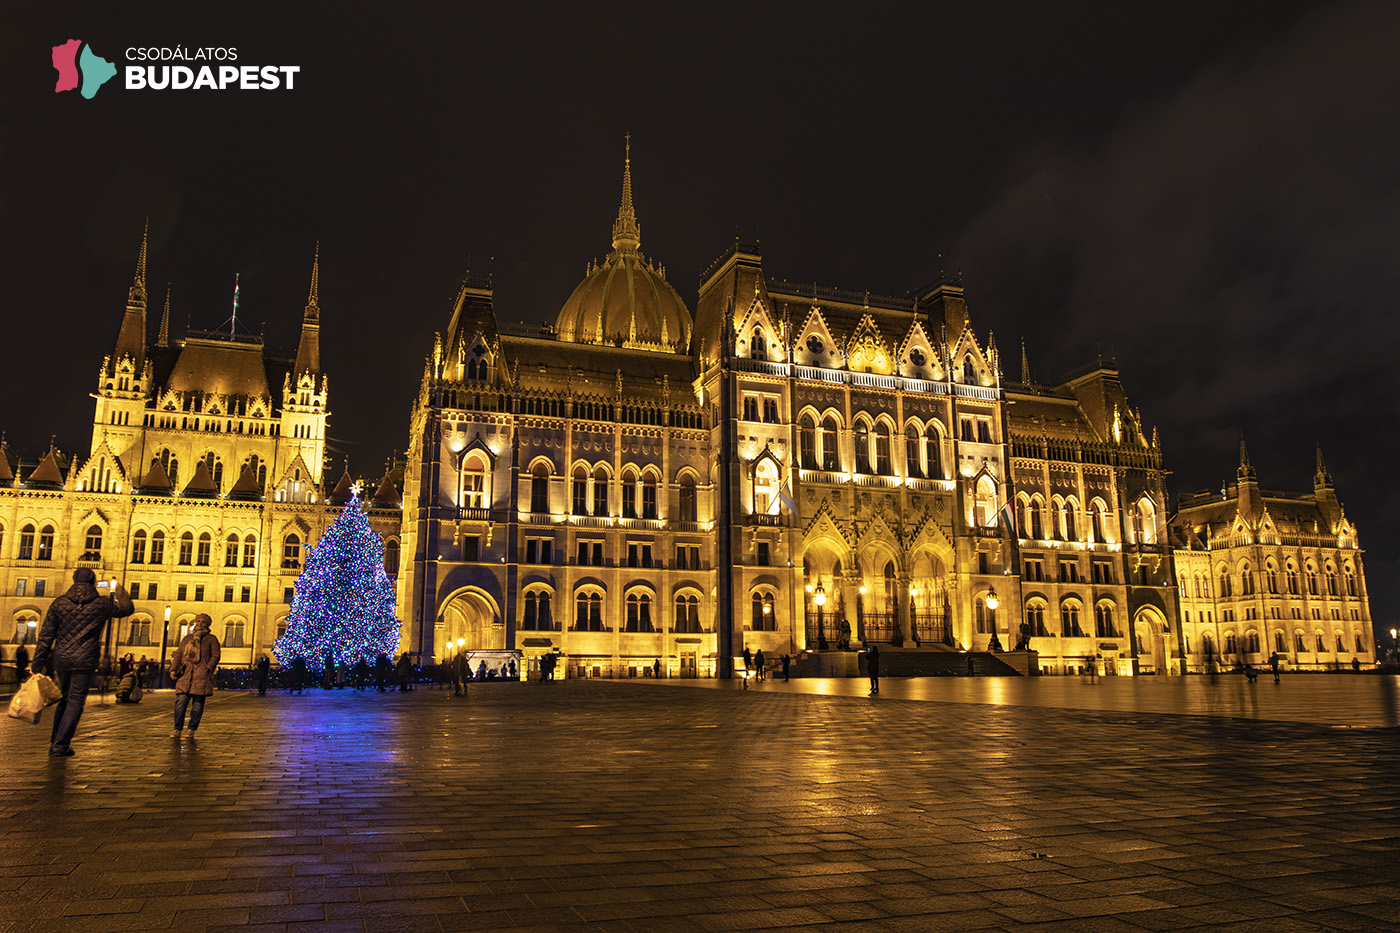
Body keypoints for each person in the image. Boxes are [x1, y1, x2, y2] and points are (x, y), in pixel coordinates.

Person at [31, 569, 133, 757]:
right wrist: (118, 588)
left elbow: (46, 635)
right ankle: (61, 744)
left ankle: (55, 741)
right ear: (94, 582)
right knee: (76, 701)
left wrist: (37, 662)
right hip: (85, 658)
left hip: (62, 658)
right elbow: (127, 610)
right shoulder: (102, 603)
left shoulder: (59, 603)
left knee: (65, 698)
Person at [169, 613, 220, 739]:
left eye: (202, 622)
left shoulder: (211, 639)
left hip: (201, 675)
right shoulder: (187, 639)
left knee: (197, 705)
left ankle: (191, 729)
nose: (199, 624)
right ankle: (177, 729)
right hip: (185, 674)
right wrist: (173, 669)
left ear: (207, 625)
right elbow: (179, 655)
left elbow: (215, 655)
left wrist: (207, 667)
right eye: (197, 621)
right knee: (180, 703)